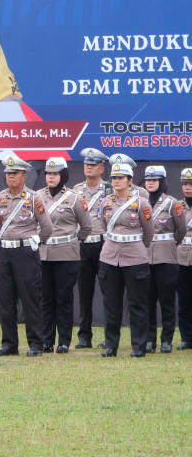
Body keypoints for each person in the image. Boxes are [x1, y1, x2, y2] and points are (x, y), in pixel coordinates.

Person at [0, 156, 52, 357]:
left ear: (24, 175)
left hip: (26, 253)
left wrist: (33, 243)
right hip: (5, 252)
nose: (10, 176)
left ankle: (36, 344)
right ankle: (9, 344)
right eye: (8, 173)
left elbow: (47, 227)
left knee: (30, 299)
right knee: (6, 299)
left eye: (14, 173)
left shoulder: (34, 198)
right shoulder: (1, 196)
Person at [98, 161, 153, 357]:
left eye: (120, 178)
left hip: (135, 257)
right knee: (111, 303)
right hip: (110, 257)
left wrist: (136, 247)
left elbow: (148, 233)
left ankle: (139, 346)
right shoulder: (105, 202)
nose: (116, 181)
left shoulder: (141, 203)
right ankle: (111, 346)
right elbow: (105, 227)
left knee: (137, 303)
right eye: (113, 178)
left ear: (130, 181)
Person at [38, 157, 91, 353]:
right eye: (48, 173)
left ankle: (63, 341)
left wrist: (72, 242)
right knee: (46, 299)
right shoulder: (37, 196)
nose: (51, 177)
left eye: (55, 173)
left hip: (67, 255)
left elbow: (86, 226)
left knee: (63, 298)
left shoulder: (74, 197)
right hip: (43, 254)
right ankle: (46, 340)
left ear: (63, 175)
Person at [142, 166, 186, 353]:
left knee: (167, 301)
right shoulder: (139, 202)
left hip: (167, 258)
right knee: (148, 301)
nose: (151, 182)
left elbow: (181, 230)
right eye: (148, 179)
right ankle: (150, 339)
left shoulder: (172, 203)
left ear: (163, 181)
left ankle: (166, 338)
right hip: (144, 257)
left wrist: (170, 245)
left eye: (155, 179)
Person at [72, 147, 110, 349]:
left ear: (102, 168)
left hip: (104, 244)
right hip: (84, 245)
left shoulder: (110, 190)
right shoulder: (76, 190)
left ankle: (108, 336)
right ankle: (84, 336)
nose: (88, 168)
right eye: (86, 164)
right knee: (84, 293)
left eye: (93, 165)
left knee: (108, 291)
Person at [176, 168, 192, 350]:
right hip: (181, 258)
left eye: (191, 184)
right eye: (185, 184)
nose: (188, 188)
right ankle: (187, 337)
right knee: (185, 300)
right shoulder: (177, 206)